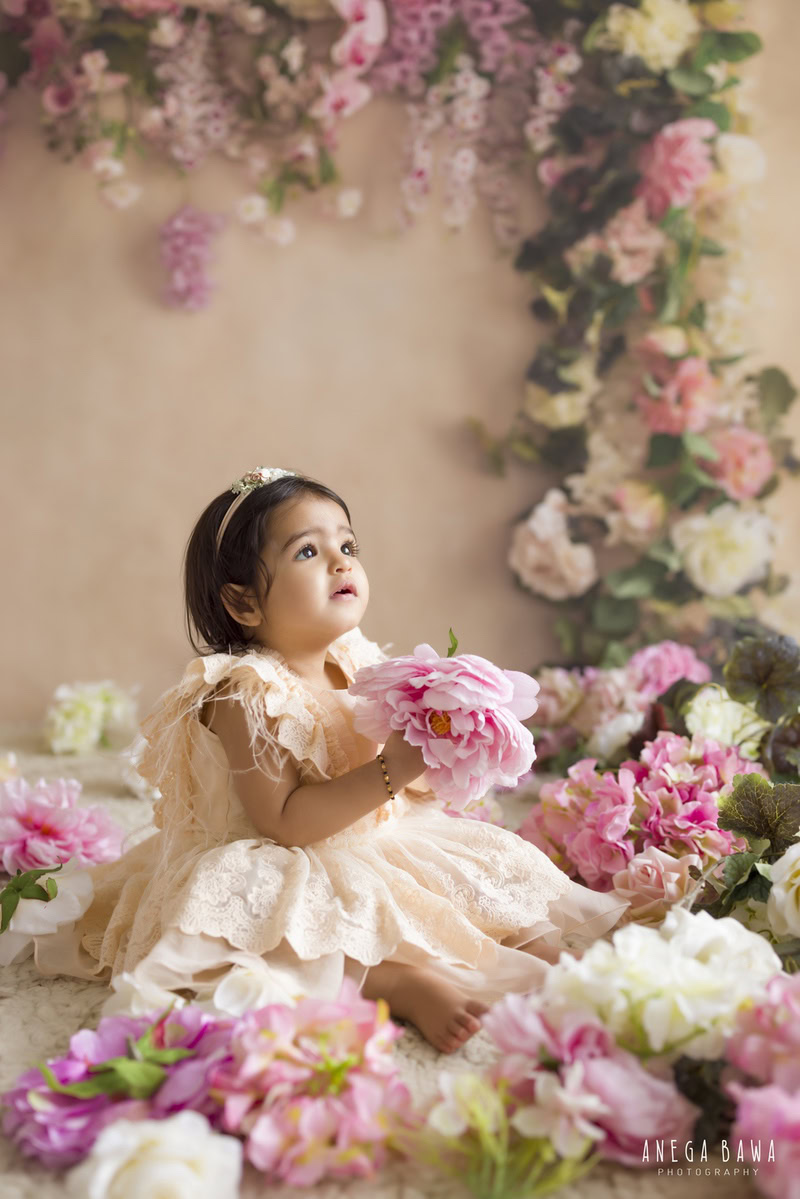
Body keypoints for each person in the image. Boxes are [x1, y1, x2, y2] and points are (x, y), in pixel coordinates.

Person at [35, 467, 628, 1054]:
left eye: (347, 545)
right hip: (275, 856)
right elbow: (283, 823)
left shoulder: (355, 658)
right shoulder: (243, 692)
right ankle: (397, 983)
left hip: (366, 837)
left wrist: (438, 753)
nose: (341, 563)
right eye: (308, 552)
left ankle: (531, 952)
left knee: (486, 883)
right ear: (243, 602)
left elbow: (381, 763)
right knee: (281, 930)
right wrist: (395, 769)